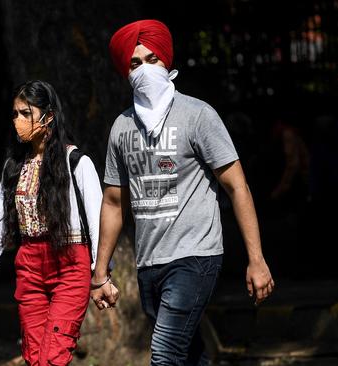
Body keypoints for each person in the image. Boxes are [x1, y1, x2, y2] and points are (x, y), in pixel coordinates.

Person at [89, 20, 274, 365]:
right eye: (134, 63)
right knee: (189, 355)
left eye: (152, 59)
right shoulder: (121, 128)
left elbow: (237, 186)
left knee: (164, 353)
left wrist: (257, 259)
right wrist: (100, 272)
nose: (144, 70)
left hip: (195, 257)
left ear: (168, 63)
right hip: (149, 263)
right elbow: (114, 202)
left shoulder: (198, 116)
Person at [0, 80, 102, 366]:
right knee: (34, 357)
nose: (18, 121)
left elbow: (98, 223)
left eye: (26, 114)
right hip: (29, 268)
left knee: (53, 357)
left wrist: (101, 275)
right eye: (15, 114)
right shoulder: (13, 167)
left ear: (48, 117)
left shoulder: (76, 162)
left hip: (70, 264)